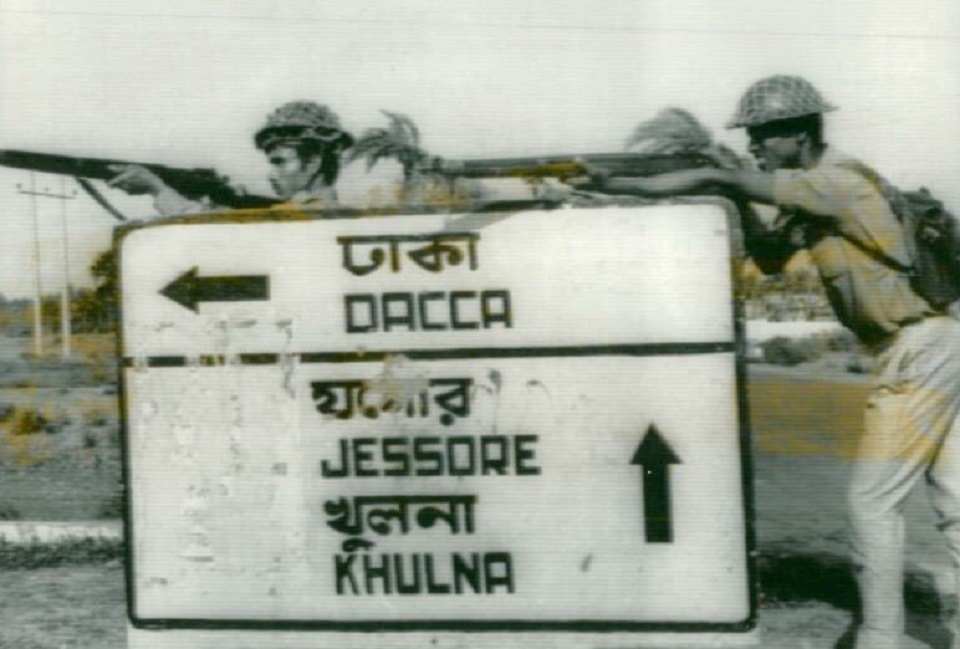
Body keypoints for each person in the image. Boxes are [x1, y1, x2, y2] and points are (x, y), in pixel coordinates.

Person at [571, 75, 960, 649]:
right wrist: (737, 197)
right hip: (932, 345)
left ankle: (880, 638)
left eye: (761, 135)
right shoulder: (816, 188)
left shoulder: (834, 183)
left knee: (872, 503)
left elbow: (717, 177)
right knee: (952, 496)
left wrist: (615, 184)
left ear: (799, 134)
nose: (752, 145)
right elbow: (773, 256)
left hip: (919, 349)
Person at [107, 100, 354, 216]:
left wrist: (157, 189)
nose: (271, 175)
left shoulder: (307, 216)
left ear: (313, 163)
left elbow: (208, 227)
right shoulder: (332, 215)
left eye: (280, 161)